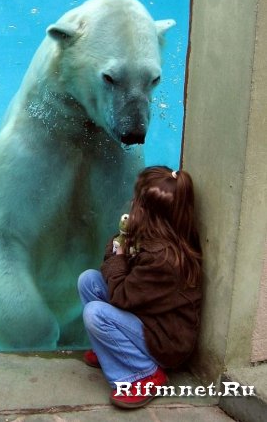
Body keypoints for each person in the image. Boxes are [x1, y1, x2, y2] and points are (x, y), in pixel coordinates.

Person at [77, 166, 202, 409]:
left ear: (149, 213)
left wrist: (120, 254)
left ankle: (143, 374)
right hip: (148, 317)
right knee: (88, 280)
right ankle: (111, 352)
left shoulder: (162, 259)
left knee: (95, 313)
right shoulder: (161, 235)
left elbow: (121, 296)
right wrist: (122, 242)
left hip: (165, 341)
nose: (132, 203)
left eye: (138, 201)